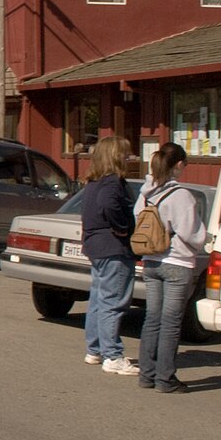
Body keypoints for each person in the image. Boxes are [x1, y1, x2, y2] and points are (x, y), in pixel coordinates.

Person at [134, 142, 205, 393]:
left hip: (151, 262)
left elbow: (137, 219)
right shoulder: (181, 196)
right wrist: (203, 241)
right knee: (171, 323)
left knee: (152, 319)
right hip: (177, 263)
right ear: (178, 164)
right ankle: (165, 379)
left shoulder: (145, 194)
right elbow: (192, 234)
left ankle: (146, 374)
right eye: (185, 164)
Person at [81, 135, 139, 375]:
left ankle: (95, 349)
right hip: (113, 246)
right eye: (125, 154)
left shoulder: (93, 182)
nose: (130, 158)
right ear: (116, 156)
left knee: (98, 298)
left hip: (96, 245)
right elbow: (109, 205)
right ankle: (112, 355)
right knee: (113, 302)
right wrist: (123, 227)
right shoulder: (112, 182)